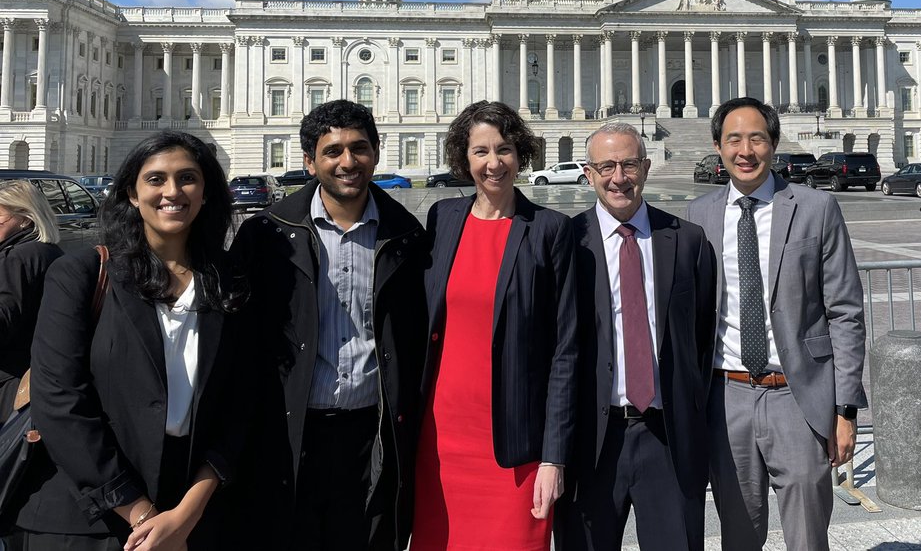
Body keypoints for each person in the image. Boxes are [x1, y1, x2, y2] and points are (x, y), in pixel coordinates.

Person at [10, 131, 248, 550]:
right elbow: (59, 399)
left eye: (187, 178)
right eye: (155, 179)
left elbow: (240, 406)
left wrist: (186, 515)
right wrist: (141, 512)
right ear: (132, 195)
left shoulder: (228, 283)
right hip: (85, 517)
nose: (172, 191)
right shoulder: (81, 274)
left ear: (207, 191)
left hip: (188, 514)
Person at [230, 99, 429, 551]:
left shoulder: (406, 237)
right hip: (292, 431)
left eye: (358, 148)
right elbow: (241, 340)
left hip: (372, 432)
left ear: (376, 153)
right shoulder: (267, 233)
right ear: (309, 160)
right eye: (332, 151)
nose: (347, 162)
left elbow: (415, 336)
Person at [687, 98, 867, 551]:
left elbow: (845, 311)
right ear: (717, 146)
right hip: (725, 397)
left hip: (797, 395)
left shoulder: (816, 207)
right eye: (734, 139)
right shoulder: (697, 216)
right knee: (738, 533)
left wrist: (845, 408)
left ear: (773, 144)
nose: (745, 150)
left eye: (756, 138)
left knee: (808, 535)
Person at [413, 100, 577, 551]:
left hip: (515, 441)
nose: (493, 163)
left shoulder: (549, 229)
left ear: (520, 154)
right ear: (464, 160)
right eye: (480, 151)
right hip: (441, 436)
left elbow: (566, 350)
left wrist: (553, 457)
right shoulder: (443, 218)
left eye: (503, 149)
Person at [555, 123, 716, 551]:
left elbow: (700, 337)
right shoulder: (567, 242)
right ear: (589, 174)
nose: (618, 177)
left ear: (646, 167)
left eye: (628, 164)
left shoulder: (687, 240)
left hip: (667, 437)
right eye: (606, 166)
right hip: (591, 438)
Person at [0, 180, 63, 417]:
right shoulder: (48, 251)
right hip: (37, 371)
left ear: (25, 218)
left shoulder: (17, 258)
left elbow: (4, 319)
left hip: (11, 378)